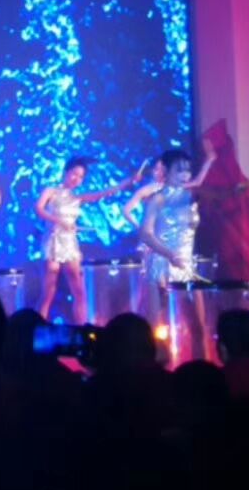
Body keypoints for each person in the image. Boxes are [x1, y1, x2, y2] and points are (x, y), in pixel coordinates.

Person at [36, 157, 143, 323]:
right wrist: (58, 221)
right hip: (53, 241)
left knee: (79, 291)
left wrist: (129, 181)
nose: (76, 179)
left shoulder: (78, 198)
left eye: (80, 176)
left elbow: (106, 192)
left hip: (69, 244)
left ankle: (82, 329)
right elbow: (39, 208)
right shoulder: (51, 191)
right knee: (48, 292)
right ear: (65, 172)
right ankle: (36, 327)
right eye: (74, 174)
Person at [141, 149, 210, 361]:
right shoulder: (158, 198)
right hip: (163, 263)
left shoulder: (190, 197)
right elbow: (145, 234)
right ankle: (159, 371)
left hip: (186, 265)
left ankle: (201, 370)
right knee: (158, 329)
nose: (185, 175)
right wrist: (169, 254)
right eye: (179, 170)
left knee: (198, 325)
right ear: (166, 170)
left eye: (188, 170)